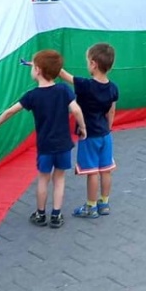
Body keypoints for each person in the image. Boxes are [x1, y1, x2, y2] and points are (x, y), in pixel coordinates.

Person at [0, 49, 87, 229]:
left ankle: (40, 214)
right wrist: (82, 127)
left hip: (45, 146)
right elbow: (76, 110)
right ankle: (56, 215)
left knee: (43, 178)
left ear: (37, 70)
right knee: (59, 178)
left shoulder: (32, 96)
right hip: (63, 145)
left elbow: (10, 111)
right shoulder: (63, 90)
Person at [57, 42, 119, 219]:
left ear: (93, 64)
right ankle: (104, 203)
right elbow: (111, 110)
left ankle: (90, 206)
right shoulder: (113, 88)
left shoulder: (85, 85)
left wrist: (44, 64)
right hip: (105, 135)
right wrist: (108, 128)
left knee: (92, 172)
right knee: (106, 169)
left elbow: (63, 74)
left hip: (88, 134)